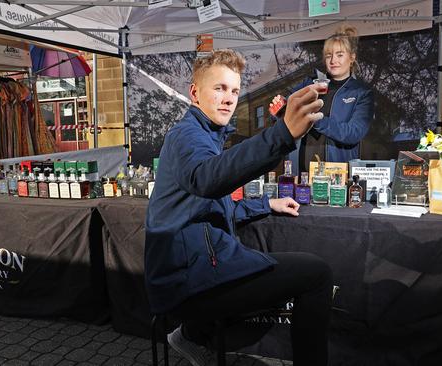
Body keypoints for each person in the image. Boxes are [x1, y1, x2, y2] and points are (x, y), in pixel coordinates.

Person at [145, 49, 333, 366]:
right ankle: (192, 330)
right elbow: (207, 179)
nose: (229, 99)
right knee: (317, 274)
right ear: (194, 93)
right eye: (219, 88)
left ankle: (191, 333)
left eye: (234, 90)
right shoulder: (186, 136)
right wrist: (281, 134)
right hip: (187, 282)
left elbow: (216, 205)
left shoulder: (208, 137)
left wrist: (266, 203)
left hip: (192, 272)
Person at [270, 25, 374, 175]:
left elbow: (354, 133)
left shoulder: (362, 92)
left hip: (339, 175)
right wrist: (278, 109)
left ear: (352, 58)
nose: (333, 60)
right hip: (307, 170)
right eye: (328, 55)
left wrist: (315, 120)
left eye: (339, 55)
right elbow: (287, 108)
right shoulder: (311, 84)